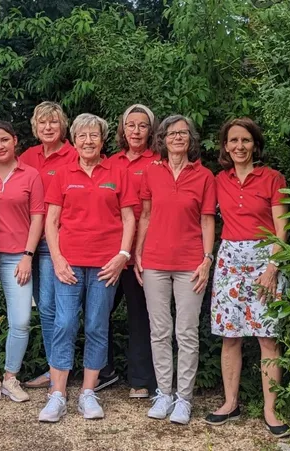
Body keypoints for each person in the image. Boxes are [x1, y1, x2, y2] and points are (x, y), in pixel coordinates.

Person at [39, 113, 137, 422]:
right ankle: (57, 394)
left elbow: (129, 218)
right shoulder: (63, 173)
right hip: (68, 264)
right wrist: (56, 257)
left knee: (96, 325)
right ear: (75, 139)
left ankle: (88, 393)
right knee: (64, 324)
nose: (88, 140)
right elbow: (51, 221)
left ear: (102, 139)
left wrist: (123, 254)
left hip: (105, 266)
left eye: (94, 135)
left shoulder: (118, 171)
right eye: (82, 135)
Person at [204, 118, 290, 438]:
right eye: (233, 141)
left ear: (255, 144)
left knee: (267, 338)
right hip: (229, 260)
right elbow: (199, 216)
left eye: (246, 140)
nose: (240, 146)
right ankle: (230, 403)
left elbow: (283, 230)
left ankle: (271, 408)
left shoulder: (272, 178)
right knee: (231, 336)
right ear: (225, 146)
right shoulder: (217, 180)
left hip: (266, 260)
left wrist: (272, 268)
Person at [135, 114, 216, 425]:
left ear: (190, 139)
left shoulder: (204, 176)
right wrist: (139, 253)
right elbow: (144, 215)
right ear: (163, 139)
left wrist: (207, 259)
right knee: (159, 331)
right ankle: (164, 394)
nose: (178, 138)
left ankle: (184, 398)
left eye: (183, 133)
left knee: (186, 332)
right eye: (172, 133)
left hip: (190, 264)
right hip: (154, 262)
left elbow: (207, 220)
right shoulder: (151, 172)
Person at [0, 121, 45, 402]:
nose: (0, 146)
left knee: (20, 320)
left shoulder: (30, 174)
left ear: (15, 140)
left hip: (17, 257)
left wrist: (28, 256)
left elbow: (37, 218)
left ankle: (11, 377)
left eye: (4, 140)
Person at [101, 104, 158, 397]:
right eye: (131, 125)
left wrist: (142, 250)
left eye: (142, 125)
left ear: (151, 130)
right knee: (99, 312)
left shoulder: (159, 162)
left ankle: (140, 380)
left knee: (140, 316)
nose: (136, 131)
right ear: (123, 129)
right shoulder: (110, 162)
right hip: (110, 252)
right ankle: (104, 370)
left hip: (144, 252)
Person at [19, 101, 77, 389]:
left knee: (62, 311)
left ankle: (60, 369)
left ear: (62, 125)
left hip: (64, 243)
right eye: (42, 122)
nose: (48, 127)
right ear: (35, 127)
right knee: (45, 308)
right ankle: (55, 366)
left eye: (53, 122)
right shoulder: (27, 157)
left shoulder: (74, 155)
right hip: (33, 243)